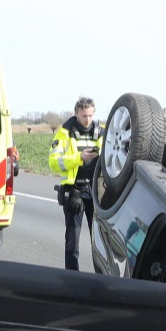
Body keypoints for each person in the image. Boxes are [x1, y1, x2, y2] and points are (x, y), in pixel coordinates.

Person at [49, 97, 100, 270]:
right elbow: (54, 162)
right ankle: (71, 278)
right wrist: (79, 158)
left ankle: (101, 279)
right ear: (76, 113)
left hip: (95, 192)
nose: (88, 120)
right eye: (84, 116)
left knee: (100, 243)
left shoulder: (100, 132)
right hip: (73, 192)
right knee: (72, 241)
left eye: (90, 115)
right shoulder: (64, 133)